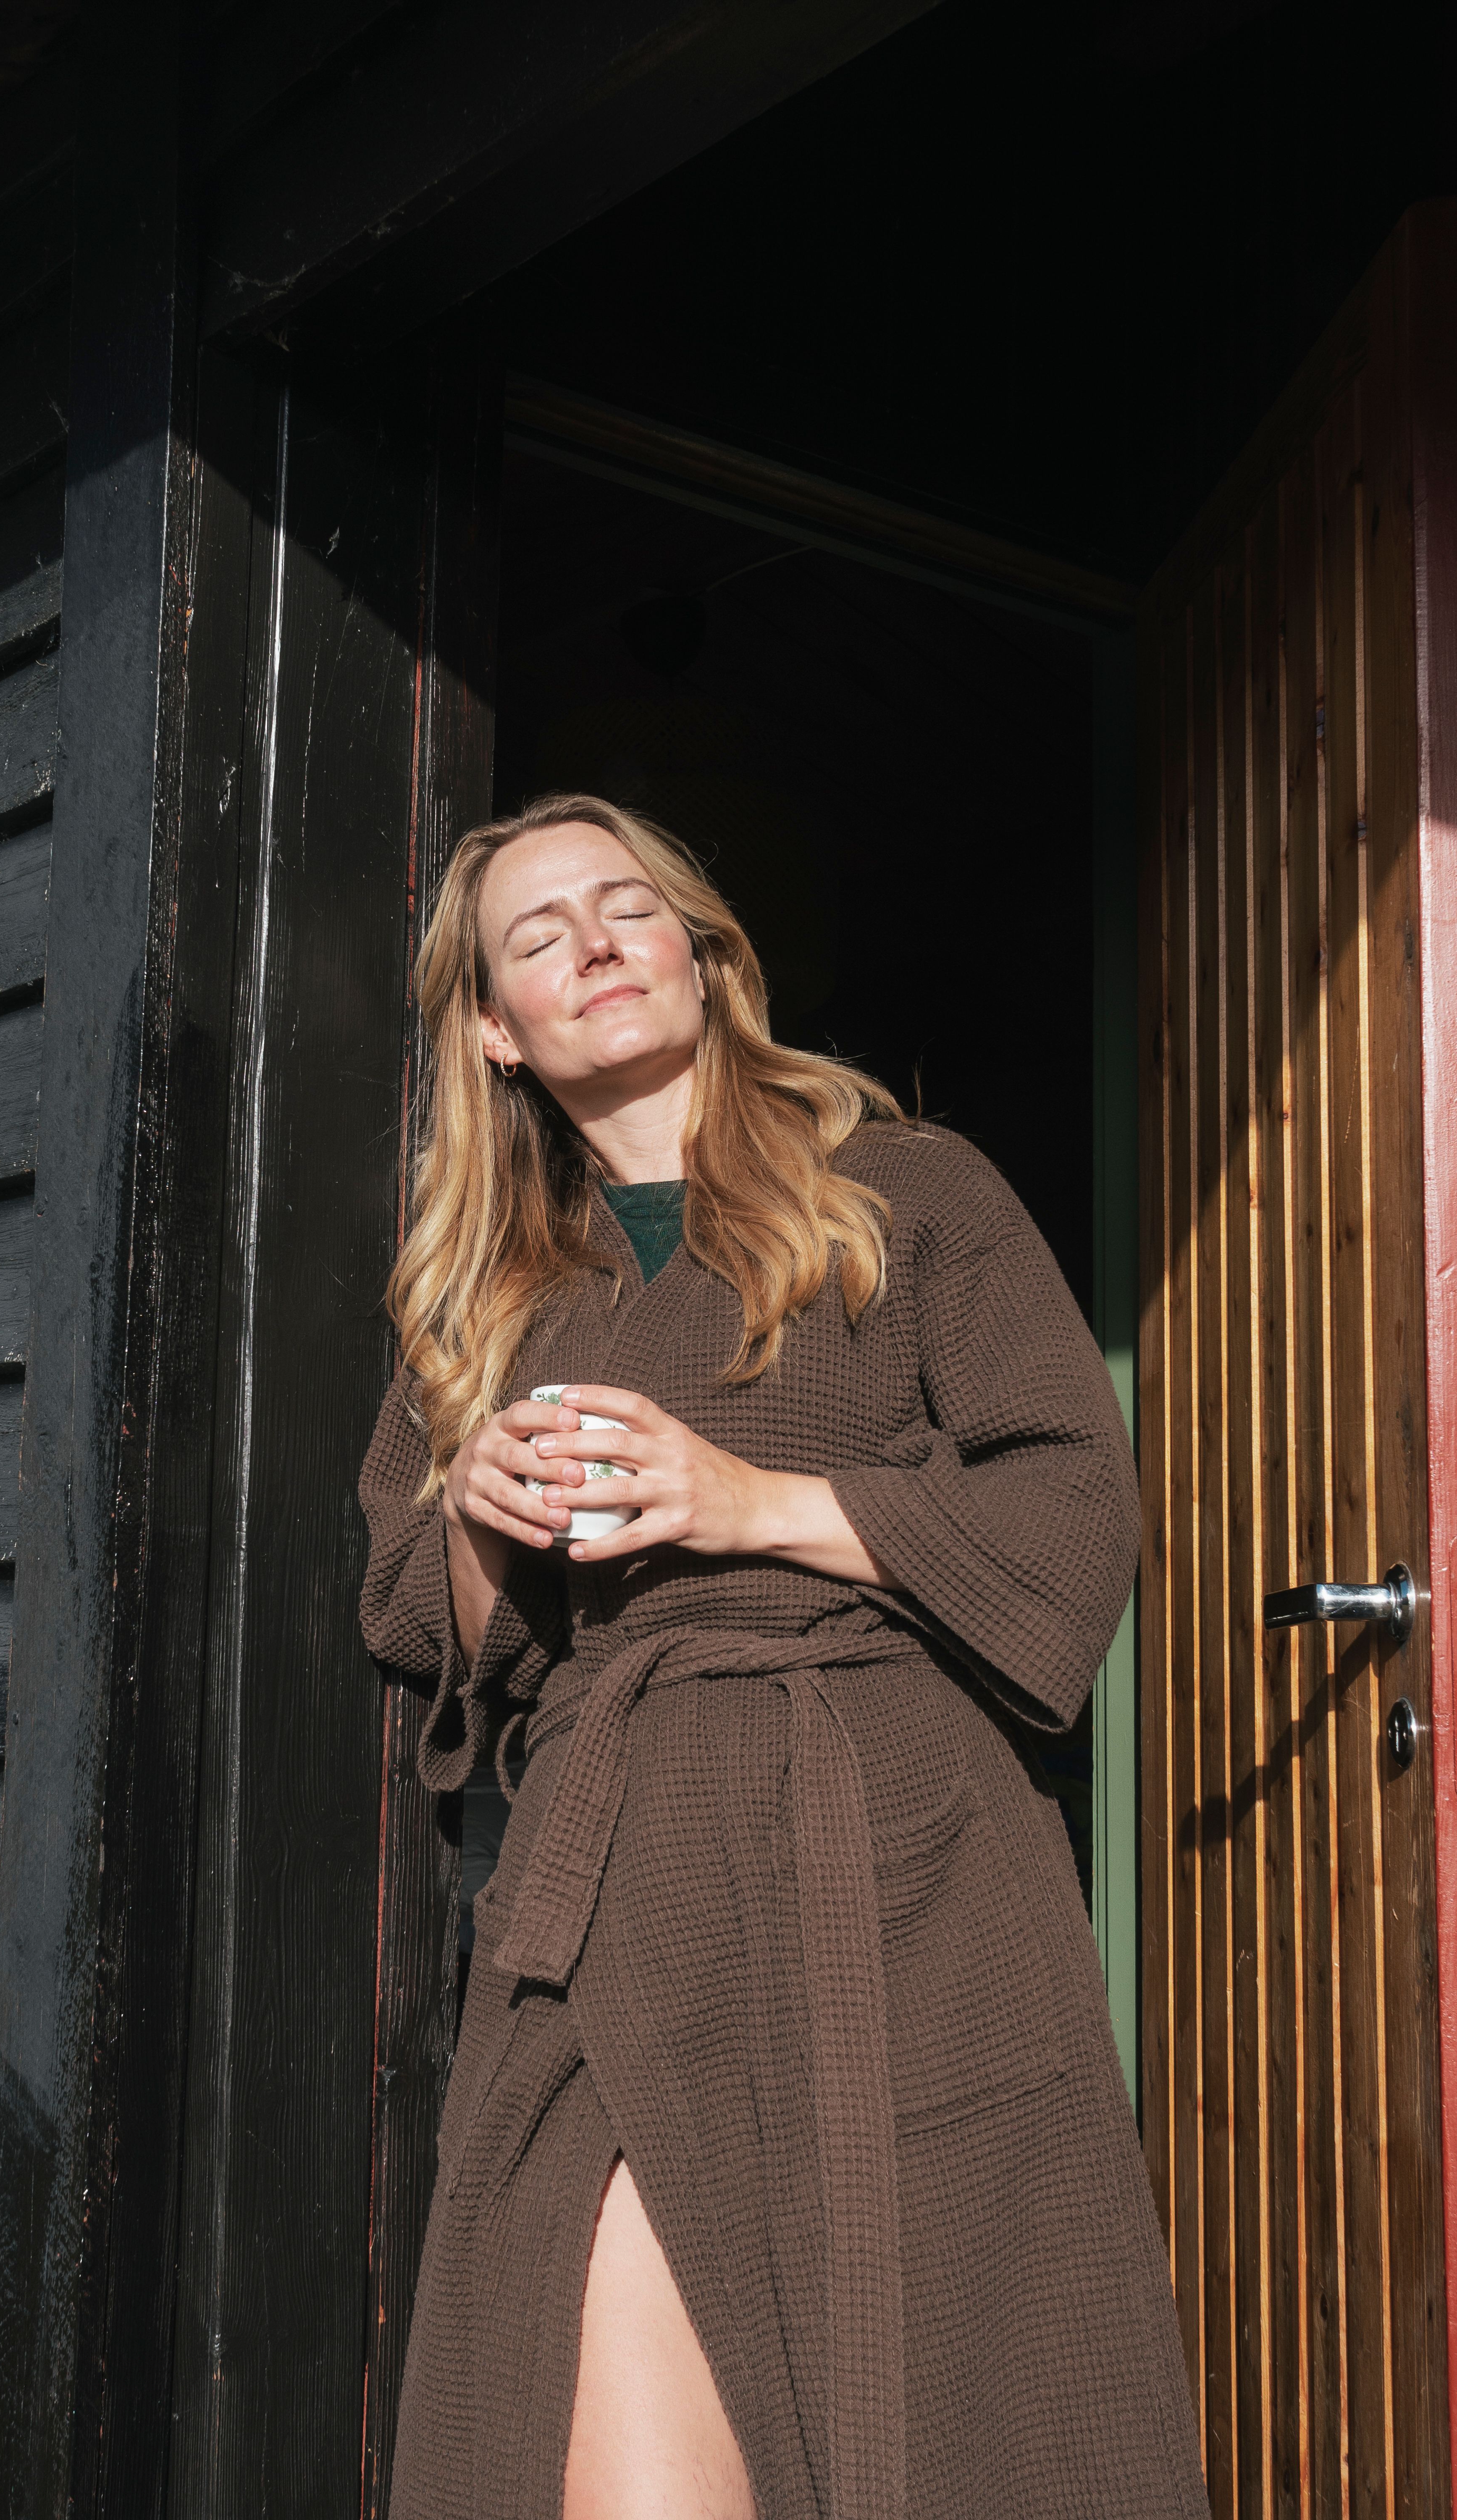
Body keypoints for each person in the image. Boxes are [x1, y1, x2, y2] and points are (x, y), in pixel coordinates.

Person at [359, 794, 1203, 2520]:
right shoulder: (487, 1290)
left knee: (942, 2392)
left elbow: (1070, 1506)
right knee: (583, 2418)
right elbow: (410, 1625)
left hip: (889, 1851)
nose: (595, 942)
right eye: (539, 936)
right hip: (614, 1862)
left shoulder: (907, 1190)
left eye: (629, 907)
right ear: (498, 1037)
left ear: (700, 956)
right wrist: (481, 1511)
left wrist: (752, 1502)